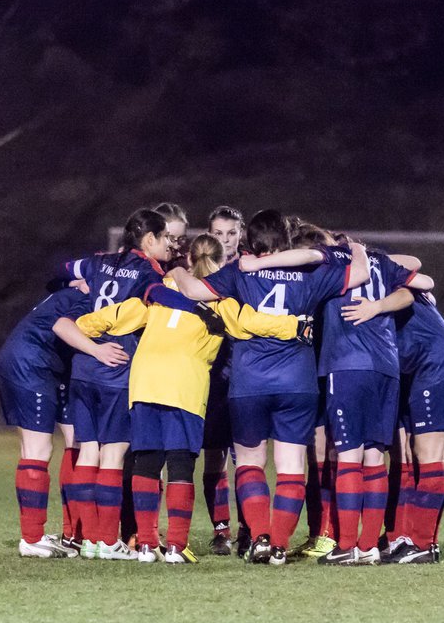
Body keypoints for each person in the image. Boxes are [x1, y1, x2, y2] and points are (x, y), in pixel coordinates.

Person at [70, 234, 309, 563]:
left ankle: (146, 545)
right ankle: (176, 546)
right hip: (184, 383)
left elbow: (115, 315)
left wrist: (87, 326)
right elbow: (252, 323)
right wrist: (296, 325)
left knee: (147, 462)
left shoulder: (160, 289)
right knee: (181, 464)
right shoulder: (219, 298)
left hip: (144, 381)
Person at [170, 209, 369, 564]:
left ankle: (260, 536)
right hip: (297, 382)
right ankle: (279, 544)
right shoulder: (312, 273)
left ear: (250, 239)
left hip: (249, 383)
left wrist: (176, 267)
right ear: (286, 240)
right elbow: (362, 274)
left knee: (249, 462)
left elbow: (193, 289)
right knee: (292, 465)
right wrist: (356, 249)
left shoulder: (239, 270)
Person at [241, 237, 432, 564]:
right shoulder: (377, 260)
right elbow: (420, 283)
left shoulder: (329, 259)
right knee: (374, 458)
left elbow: (307, 254)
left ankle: (346, 545)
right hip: (386, 367)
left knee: (348, 456)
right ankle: (369, 545)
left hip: (348, 365)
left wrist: (258, 263)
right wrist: (376, 297)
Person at [52, 208, 173, 560]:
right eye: (164, 238)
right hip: (116, 369)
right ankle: (107, 541)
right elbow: (158, 297)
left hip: (82, 367)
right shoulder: (149, 269)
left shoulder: (96, 261)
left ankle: (88, 538)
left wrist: (76, 283)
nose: (167, 245)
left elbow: (61, 270)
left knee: (87, 452)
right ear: (149, 239)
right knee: (114, 455)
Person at [0, 286, 126, 558]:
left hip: (44, 366)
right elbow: (62, 325)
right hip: (30, 365)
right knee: (37, 449)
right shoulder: (85, 297)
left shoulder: (76, 291)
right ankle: (32, 538)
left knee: (78, 440)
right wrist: (97, 350)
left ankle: (74, 534)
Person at [385, 289, 444, 563]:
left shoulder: (378, 274)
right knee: (405, 453)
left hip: (436, 365)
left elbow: (415, 273)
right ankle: (403, 537)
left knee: (429, 454)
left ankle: (423, 544)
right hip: (413, 368)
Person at [199, 206, 246, 554]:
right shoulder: (197, 273)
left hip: (246, 373)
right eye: (218, 233)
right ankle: (221, 531)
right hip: (211, 374)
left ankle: (250, 528)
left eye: (231, 233)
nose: (225, 240)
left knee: (246, 457)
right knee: (214, 456)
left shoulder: (251, 269)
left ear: (241, 234)